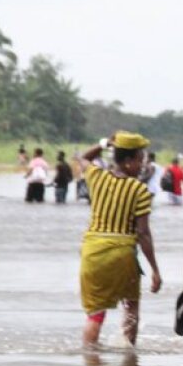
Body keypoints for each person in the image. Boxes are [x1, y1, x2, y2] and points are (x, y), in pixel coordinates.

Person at [76, 132, 163, 348]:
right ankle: (128, 356)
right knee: (131, 307)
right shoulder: (139, 190)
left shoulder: (96, 176)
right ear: (127, 161)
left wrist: (104, 143)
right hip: (122, 253)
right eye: (139, 160)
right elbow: (143, 233)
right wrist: (155, 269)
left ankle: (90, 360)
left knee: (95, 315)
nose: (142, 165)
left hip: (92, 251)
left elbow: (81, 157)